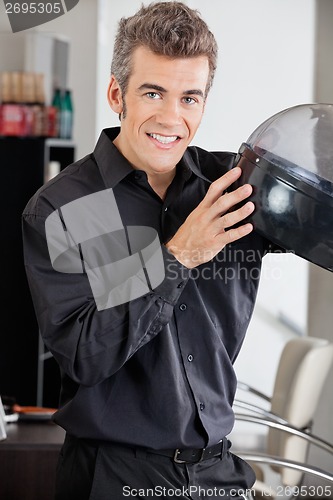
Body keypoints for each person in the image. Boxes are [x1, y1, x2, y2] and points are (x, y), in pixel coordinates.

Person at [22, 2, 273, 499]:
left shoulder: (231, 187)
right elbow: (85, 355)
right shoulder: (68, 207)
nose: (171, 117)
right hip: (114, 478)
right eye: (153, 92)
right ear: (118, 93)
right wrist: (177, 255)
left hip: (219, 476)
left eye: (189, 98)